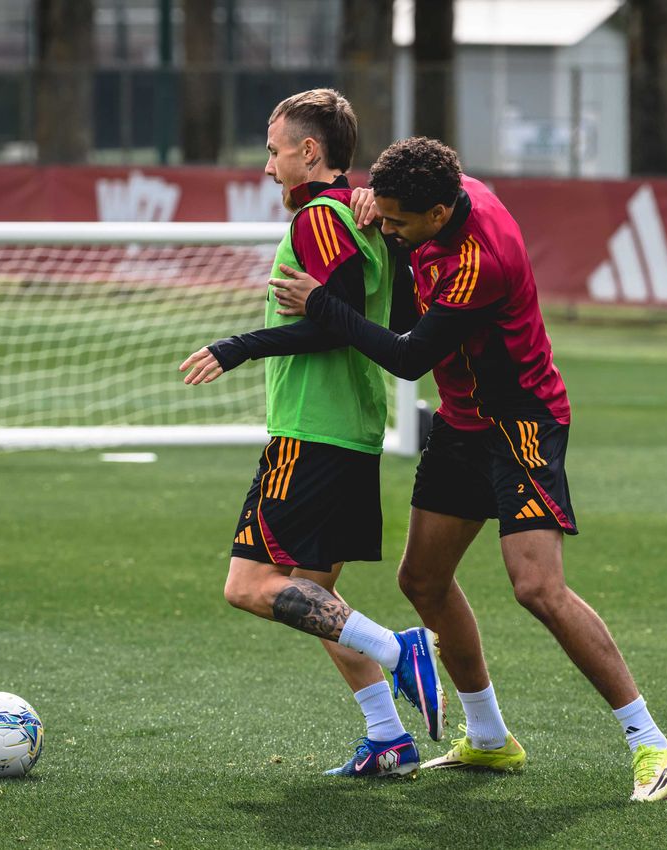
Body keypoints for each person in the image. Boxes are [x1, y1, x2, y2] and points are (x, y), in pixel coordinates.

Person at [270, 136, 667, 802]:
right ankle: (490, 740)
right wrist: (370, 201)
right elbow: (407, 199)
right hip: (463, 425)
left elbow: (408, 357)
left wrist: (319, 303)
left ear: (439, 213)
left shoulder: (479, 257)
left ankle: (650, 743)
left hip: (521, 424)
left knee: (537, 588)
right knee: (423, 581)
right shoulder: (436, 191)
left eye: (401, 221)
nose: (391, 229)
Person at [178, 90, 441, 778]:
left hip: (312, 433)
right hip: (352, 430)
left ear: (309, 152)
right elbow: (396, 311)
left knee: (247, 585)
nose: (267, 168)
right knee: (314, 600)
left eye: (273, 151)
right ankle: (389, 738)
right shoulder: (369, 222)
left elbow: (336, 318)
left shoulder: (321, 218)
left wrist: (240, 344)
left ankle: (398, 649)